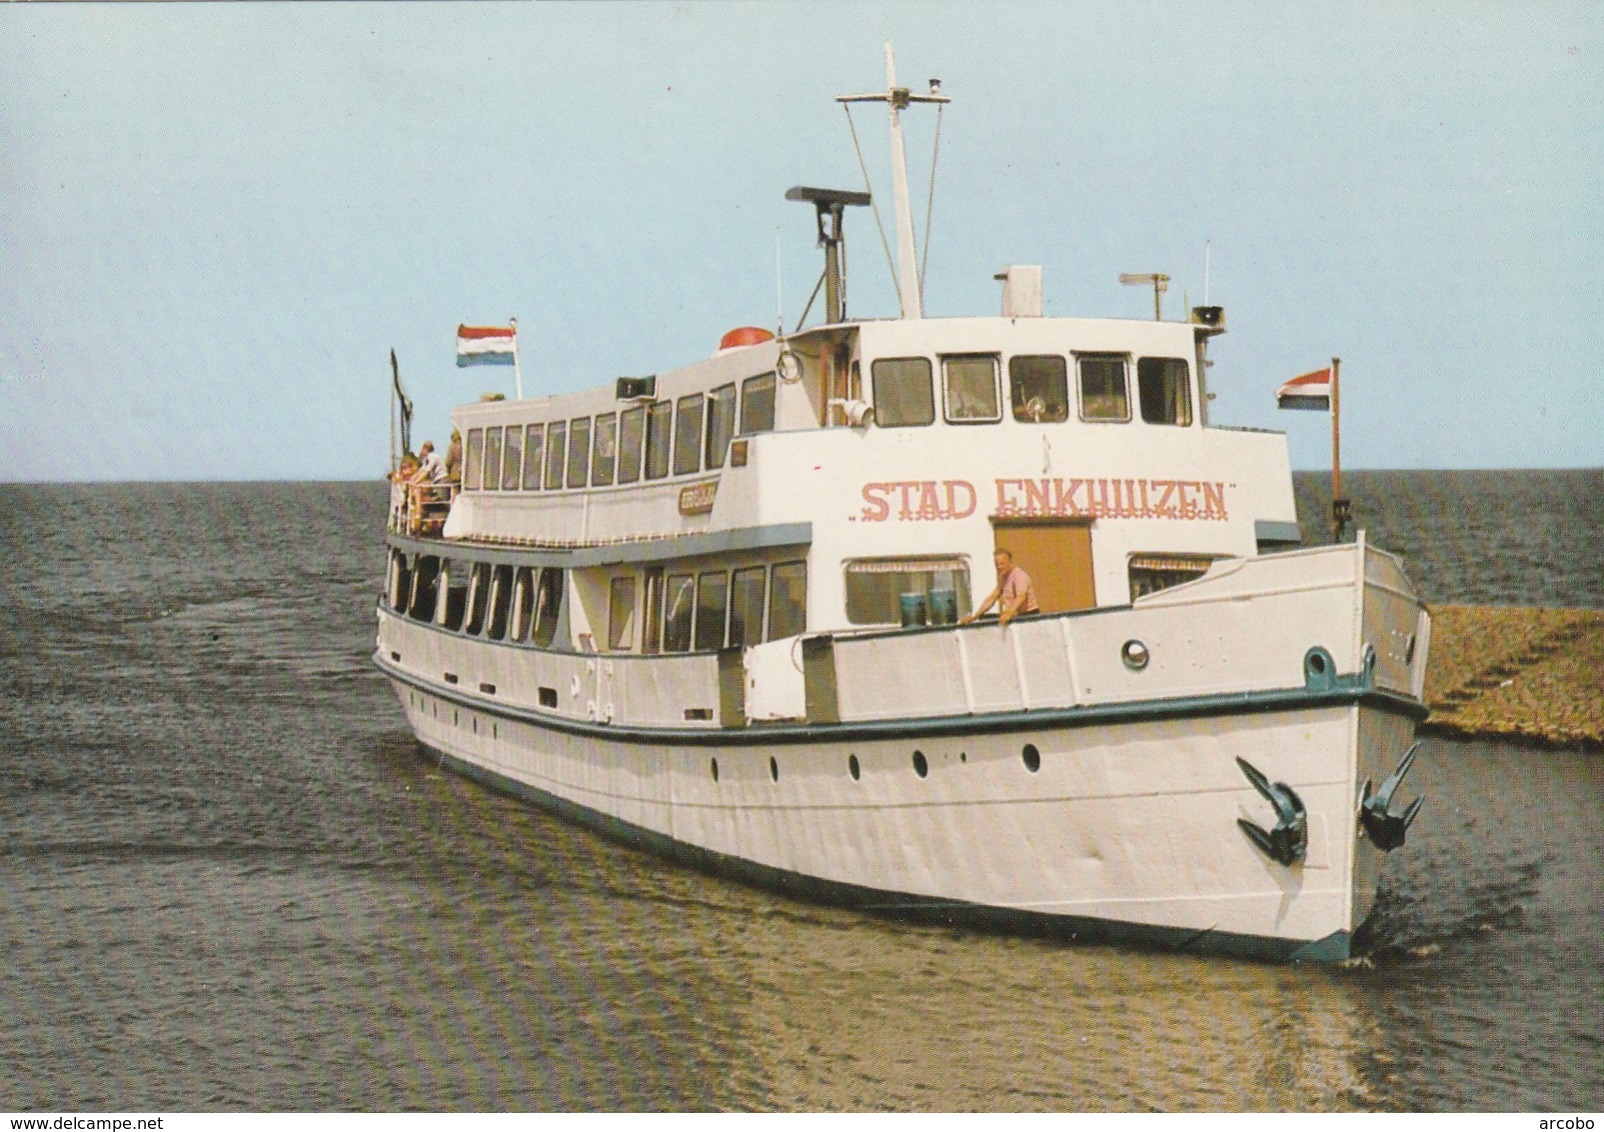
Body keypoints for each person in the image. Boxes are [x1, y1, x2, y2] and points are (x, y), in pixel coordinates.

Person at [961, 548, 1040, 627]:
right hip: (1014, 616)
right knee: (985, 618)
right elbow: (993, 597)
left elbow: (1021, 596)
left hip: (1028, 616)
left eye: (1002, 564)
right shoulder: (1004, 578)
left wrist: (1009, 613)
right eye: (997, 565)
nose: (999, 567)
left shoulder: (1019, 576)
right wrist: (975, 616)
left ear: (1010, 562)